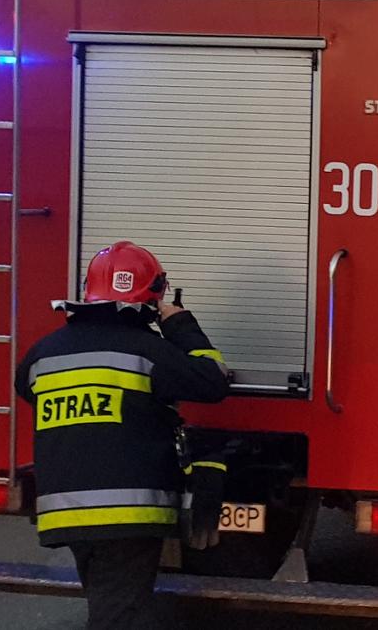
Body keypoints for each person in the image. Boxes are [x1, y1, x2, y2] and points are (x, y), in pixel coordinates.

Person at [15, 241, 230, 630]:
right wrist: (179, 324)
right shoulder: (147, 351)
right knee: (120, 617)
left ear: (88, 290)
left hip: (66, 510)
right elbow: (212, 380)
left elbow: (27, 390)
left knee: (109, 605)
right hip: (127, 513)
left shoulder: (42, 355)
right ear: (154, 295)